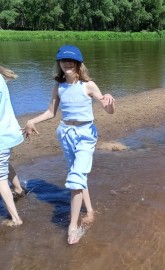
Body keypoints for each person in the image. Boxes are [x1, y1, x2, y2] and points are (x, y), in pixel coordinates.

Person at [23, 45, 115, 244]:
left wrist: (109, 102)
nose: (68, 63)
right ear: (59, 63)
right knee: (78, 174)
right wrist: (32, 121)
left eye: (71, 61)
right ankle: (90, 210)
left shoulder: (88, 85)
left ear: (78, 64)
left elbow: (108, 110)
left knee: (75, 178)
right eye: (64, 60)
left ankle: (73, 226)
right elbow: (51, 112)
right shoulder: (59, 86)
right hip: (65, 133)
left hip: (85, 134)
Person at [0, 66, 24, 227]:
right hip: (8, 132)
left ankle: (16, 219)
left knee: (0, 177)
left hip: (2, 136)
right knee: (3, 166)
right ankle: (18, 189)